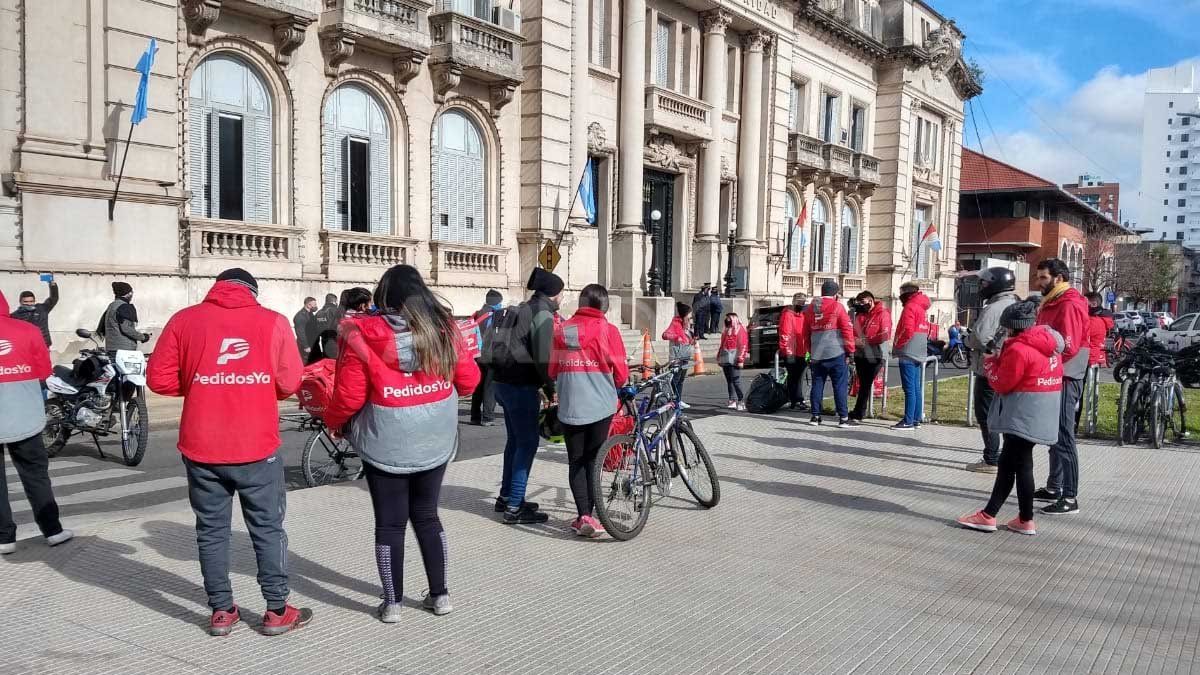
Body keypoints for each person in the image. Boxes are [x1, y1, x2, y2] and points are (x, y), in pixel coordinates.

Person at [146, 268, 309, 637]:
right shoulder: (273, 322)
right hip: (257, 446)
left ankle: (221, 611)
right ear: (253, 292)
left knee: (211, 531)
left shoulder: (185, 320)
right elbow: (288, 381)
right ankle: (277, 609)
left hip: (202, 446)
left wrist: (201, 384)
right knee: (267, 529)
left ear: (216, 288)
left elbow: (159, 378)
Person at [323, 264, 480, 623]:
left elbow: (348, 396)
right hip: (435, 437)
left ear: (383, 296)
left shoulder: (360, 333)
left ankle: (392, 603)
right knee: (427, 516)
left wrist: (334, 423)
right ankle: (440, 596)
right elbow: (469, 381)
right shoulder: (444, 329)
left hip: (385, 438)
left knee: (389, 523)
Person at [956, 301, 1064, 537]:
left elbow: (1002, 383)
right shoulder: (1051, 345)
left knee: (1008, 466)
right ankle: (1025, 519)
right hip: (1042, 413)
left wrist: (991, 362)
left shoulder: (1018, 349)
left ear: (1013, 327)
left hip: (1021, 415)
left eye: (1005, 328)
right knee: (1022, 465)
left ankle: (988, 516)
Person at [549, 284, 629, 538]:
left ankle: (584, 514)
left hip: (570, 403)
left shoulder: (564, 330)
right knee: (594, 460)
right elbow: (622, 374)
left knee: (576, 461)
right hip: (600, 405)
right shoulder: (609, 331)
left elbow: (552, 370)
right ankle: (591, 517)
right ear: (604, 306)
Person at [0, 290, 72, 555]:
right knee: (35, 474)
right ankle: (52, 531)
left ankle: (4, 538)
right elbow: (43, 372)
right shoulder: (27, 330)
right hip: (24, 415)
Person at [492, 268, 563, 525]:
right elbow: (543, 358)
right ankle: (514, 507)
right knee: (527, 444)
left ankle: (506, 496)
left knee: (514, 441)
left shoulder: (519, 308)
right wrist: (551, 387)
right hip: (521, 386)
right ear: (555, 294)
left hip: (501, 381)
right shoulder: (542, 314)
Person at [1032, 258, 1089, 516]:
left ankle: (1070, 496)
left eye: (1043, 277)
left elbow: (1068, 345)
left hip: (1065, 374)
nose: (1038, 282)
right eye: (1038, 277)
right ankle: (1054, 487)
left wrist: (1040, 357)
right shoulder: (1052, 301)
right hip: (1055, 372)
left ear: (1058, 278)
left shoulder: (1068, 304)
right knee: (1054, 434)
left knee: (1064, 435)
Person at [964, 267, 1019, 473]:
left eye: (985, 283)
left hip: (989, 369)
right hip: (1007, 369)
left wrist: (967, 340)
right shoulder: (1013, 302)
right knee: (1003, 415)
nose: (982, 287)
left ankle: (991, 458)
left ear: (995, 284)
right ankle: (1005, 456)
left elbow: (979, 337)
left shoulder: (993, 308)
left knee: (986, 415)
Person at [802, 280, 855, 427]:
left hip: (817, 353)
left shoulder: (811, 309)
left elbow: (805, 333)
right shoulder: (838, 307)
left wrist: (809, 351)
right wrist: (850, 351)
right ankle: (843, 417)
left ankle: (815, 416)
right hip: (836, 351)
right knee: (839, 385)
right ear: (836, 294)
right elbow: (846, 330)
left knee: (817, 384)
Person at [893, 281, 930, 430]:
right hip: (919, 350)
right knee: (916, 387)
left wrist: (897, 344)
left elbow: (907, 330)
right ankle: (916, 418)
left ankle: (908, 420)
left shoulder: (910, 306)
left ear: (906, 293)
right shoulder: (921, 307)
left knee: (909, 388)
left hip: (908, 351)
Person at [849, 291, 891, 424]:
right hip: (861, 354)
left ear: (870, 300)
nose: (861, 305)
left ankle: (859, 412)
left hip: (876, 354)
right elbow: (852, 332)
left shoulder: (882, 314)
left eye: (862, 302)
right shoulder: (860, 315)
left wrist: (866, 341)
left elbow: (885, 334)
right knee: (863, 384)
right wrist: (856, 341)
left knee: (866, 383)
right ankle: (859, 411)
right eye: (859, 303)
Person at [1076, 292, 1113, 432]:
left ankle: (1074, 424)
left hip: (1083, 359)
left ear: (1094, 304)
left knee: (1077, 394)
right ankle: (1081, 425)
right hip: (1091, 358)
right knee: (1082, 393)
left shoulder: (1092, 321)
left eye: (1085, 302)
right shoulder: (1102, 319)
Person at [470, 289, 504, 427]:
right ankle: (488, 417)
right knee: (490, 386)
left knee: (478, 385)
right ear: (496, 303)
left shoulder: (477, 314)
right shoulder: (495, 315)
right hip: (490, 355)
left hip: (476, 355)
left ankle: (475, 416)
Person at [97, 281, 151, 352]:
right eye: (131, 292)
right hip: (124, 350)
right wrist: (143, 337)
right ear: (128, 293)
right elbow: (126, 329)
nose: (132, 294)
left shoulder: (111, 306)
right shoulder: (124, 307)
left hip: (111, 348)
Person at [778, 292, 809, 411]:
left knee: (798, 376)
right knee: (793, 376)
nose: (801, 303)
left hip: (801, 350)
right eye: (799, 301)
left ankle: (796, 399)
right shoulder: (788, 314)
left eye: (803, 302)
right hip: (792, 351)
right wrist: (787, 351)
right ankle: (796, 399)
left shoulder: (802, 315)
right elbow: (785, 333)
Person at [662, 302, 696, 408]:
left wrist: (692, 339)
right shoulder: (675, 324)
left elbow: (688, 338)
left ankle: (678, 400)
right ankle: (672, 401)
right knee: (675, 379)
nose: (690, 318)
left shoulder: (687, 325)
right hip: (676, 357)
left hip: (686, 355)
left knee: (681, 380)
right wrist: (677, 337)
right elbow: (665, 335)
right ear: (684, 316)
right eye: (689, 316)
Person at [10, 276, 59, 347]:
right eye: (25, 302)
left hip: (43, 346)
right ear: (20, 302)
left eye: (31, 301)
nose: (29, 304)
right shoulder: (14, 316)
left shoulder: (42, 308)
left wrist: (52, 283)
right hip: (26, 347)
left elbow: (54, 298)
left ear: (34, 301)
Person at [718, 312, 750, 410]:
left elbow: (743, 345)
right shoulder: (726, 330)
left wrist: (741, 359)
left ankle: (741, 400)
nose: (727, 320)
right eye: (726, 319)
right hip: (726, 357)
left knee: (736, 380)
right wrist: (719, 357)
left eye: (729, 319)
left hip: (735, 358)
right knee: (729, 381)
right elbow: (722, 344)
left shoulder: (740, 330)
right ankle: (732, 400)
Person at [308, 293, 341, 364]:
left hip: (324, 342)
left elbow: (315, 329)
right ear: (334, 301)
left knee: (326, 363)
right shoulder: (336, 311)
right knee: (335, 364)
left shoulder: (319, 313)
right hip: (335, 342)